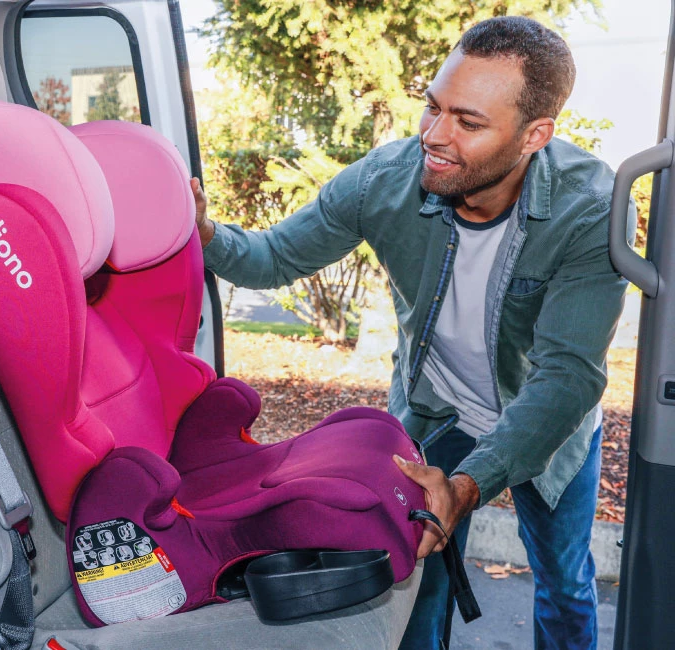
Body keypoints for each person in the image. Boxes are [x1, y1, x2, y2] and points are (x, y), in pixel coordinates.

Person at [191, 15, 629, 650]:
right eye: (433, 107)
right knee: (420, 586)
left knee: (564, 583)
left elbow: (566, 378)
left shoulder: (589, 208)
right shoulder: (385, 180)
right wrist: (204, 231)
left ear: (536, 135)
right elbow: (273, 259)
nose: (434, 135)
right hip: (439, 417)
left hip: (547, 427)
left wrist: (469, 486)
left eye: (468, 122)